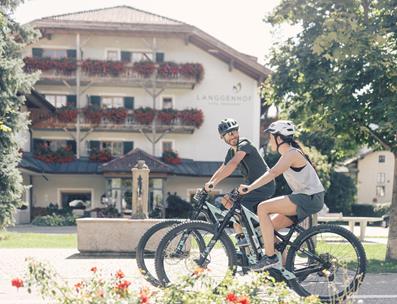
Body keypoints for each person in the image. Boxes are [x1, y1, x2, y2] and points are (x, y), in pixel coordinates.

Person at [238, 120, 325, 270]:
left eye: (271, 137)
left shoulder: (291, 154)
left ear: (279, 138)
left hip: (310, 198)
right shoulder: (288, 154)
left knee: (263, 208)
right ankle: (284, 271)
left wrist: (249, 188)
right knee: (269, 228)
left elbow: (272, 173)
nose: (269, 141)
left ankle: (270, 257)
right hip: (306, 198)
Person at [205, 118, 275, 246]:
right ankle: (241, 237)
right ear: (223, 137)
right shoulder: (231, 151)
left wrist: (214, 184)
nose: (234, 135)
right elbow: (223, 168)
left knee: (236, 207)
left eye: (235, 131)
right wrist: (208, 184)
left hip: (263, 185)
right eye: (230, 133)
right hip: (250, 186)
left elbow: (233, 164)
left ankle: (255, 231)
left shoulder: (244, 144)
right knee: (226, 201)